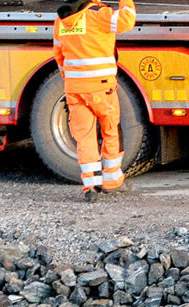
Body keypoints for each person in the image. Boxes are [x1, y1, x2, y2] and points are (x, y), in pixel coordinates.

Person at [52, 0, 136, 201]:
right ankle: (112, 181)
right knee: (110, 130)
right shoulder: (99, 15)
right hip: (101, 87)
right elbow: (127, 20)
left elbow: (58, 56)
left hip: (74, 88)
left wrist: (70, 80)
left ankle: (90, 186)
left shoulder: (60, 21)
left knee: (85, 137)